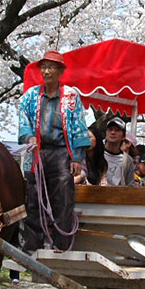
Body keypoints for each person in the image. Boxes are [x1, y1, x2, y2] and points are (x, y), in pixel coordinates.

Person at [18, 50, 91, 252]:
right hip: (36, 152)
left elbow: (79, 126)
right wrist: (28, 136)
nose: (46, 71)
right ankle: (33, 244)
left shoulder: (71, 95)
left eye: (51, 67)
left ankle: (61, 244)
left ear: (60, 71)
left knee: (63, 198)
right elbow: (23, 120)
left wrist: (76, 157)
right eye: (43, 67)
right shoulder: (30, 95)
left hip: (61, 152)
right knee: (33, 198)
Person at [96, 117, 136, 186]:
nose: (113, 132)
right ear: (106, 133)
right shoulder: (96, 153)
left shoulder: (127, 160)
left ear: (123, 136)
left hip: (118, 195)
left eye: (117, 130)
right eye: (110, 129)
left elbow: (130, 185)